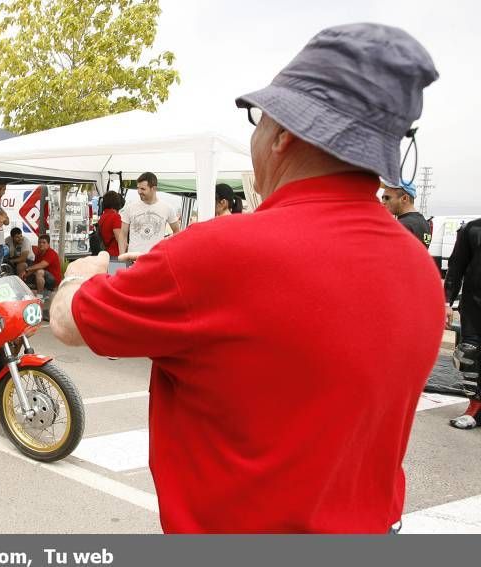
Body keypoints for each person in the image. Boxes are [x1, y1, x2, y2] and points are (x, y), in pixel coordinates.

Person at [49, 24, 443, 533]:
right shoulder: (418, 268)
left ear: (284, 136)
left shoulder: (218, 252)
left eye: (259, 120)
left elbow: (70, 324)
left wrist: (84, 273)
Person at [443, 217, 481, 429]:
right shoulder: (471, 229)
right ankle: (474, 407)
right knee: (468, 355)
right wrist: (446, 302)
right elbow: (456, 267)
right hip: (474, 307)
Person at [117, 172, 180, 255]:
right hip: (133, 260)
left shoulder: (167, 208)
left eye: (143, 189)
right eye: (138, 188)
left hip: (156, 259)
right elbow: (123, 234)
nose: (139, 191)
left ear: (153, 188)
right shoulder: (130, 207)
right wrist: (122, 257)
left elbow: (177, 231)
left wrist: (169, 249)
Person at [380, 179, 431, 248]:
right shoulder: (425, 223)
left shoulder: (402, 225)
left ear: (404, 198)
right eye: (382, 198)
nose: (383, 202)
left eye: (387, 198)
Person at [22, 234, 62, 298]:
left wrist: (27, 270)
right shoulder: (38, 254)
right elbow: (34, 268)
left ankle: (40, 297)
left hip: (53, 281)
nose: (41, 244)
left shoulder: (51, 253)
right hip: (44, 279)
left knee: (39, 271)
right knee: (27, 270)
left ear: (48, 244)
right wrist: (24, 275)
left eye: (44, 242)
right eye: (39, 242)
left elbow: (42, 265)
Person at [98, 191, 124, 257]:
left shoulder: (102, 217)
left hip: (106, 254)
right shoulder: (115, 217)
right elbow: (120, 240)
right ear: (116, 202)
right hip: (116, 255)